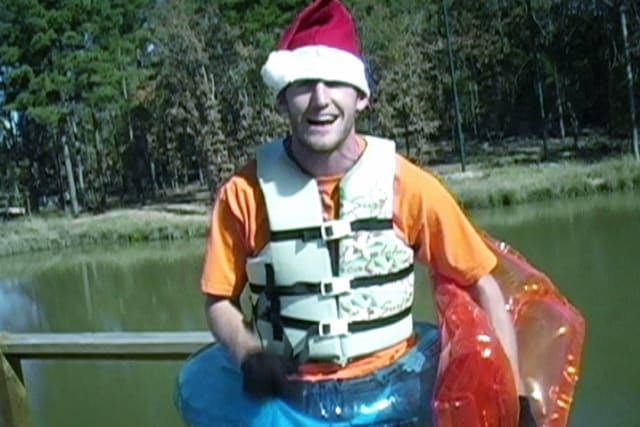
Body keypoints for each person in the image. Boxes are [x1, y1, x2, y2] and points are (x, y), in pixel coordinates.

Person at [199, 0, 537, 425]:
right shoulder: (243, 195)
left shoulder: (408, 185)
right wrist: (247, 352)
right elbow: (218, 301)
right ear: (283, 99)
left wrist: (517, 398)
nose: (320, 100)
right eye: (303, 84)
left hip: (394, 392)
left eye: (335, 83)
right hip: (291, 397)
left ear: (361, 96)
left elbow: (482, 286)